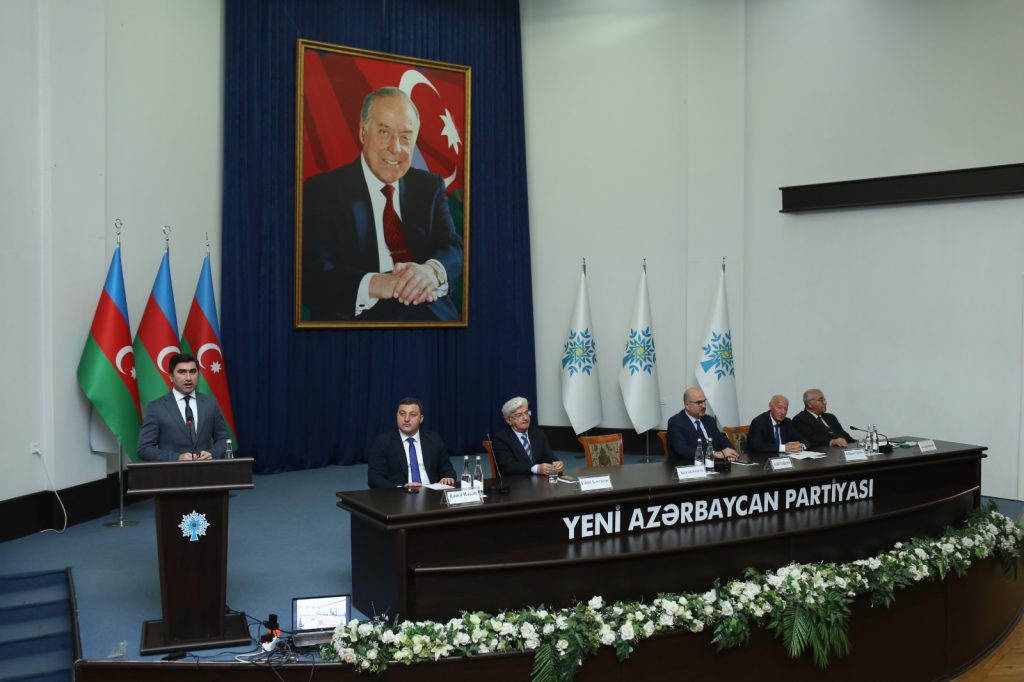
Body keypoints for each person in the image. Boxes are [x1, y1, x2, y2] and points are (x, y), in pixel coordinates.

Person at [301, 87, 463, 322]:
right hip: (359, 319)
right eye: (384, 132)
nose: (395, 148)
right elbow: (312, 276)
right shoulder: (323, 190)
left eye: (406, 136)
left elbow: (452, 247)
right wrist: (378, 284)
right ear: (363, 132)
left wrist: (430, 271)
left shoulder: (429, 186)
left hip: (429, 310)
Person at [137, 353, 229, 461]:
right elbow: (144, 449)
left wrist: (212, 454)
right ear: (171, 376)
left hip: (206, 470)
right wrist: (177, 458)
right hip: (173, 471)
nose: (188, 378)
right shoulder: (156, 408)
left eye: (192, 372)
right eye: (182, 372)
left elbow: (224, 440)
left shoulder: (210, 403)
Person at [367, 397, 456, 489]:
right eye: (402, 414)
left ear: (421, 419)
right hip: (400, 494)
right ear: (396, 416)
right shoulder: (382, 442)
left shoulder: (434, 439)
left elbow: (447, 469)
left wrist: (448, 477)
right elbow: (374, 479)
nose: (406, 419)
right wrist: (400, 489)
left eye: (412, 415)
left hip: (431, 492)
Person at [491, 397, 564, 476]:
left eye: (526, 413)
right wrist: (536, 468)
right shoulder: (500, 438)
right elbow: (510, 466)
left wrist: (556, 463)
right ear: (509, 420)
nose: (525, 418)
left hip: (539, 480)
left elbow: (548, 456)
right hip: (515, 481)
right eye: (519, 415)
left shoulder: (538, 433)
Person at [666, 387, 739, 464]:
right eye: (699, 403)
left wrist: (730, 453)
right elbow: (682, 451)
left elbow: (723, 441)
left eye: (704, 401)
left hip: (715, 465)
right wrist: (714, 454)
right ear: (687, 406)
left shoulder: (709, 420)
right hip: (691, 466)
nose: (704, 406)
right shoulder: (676, 422)